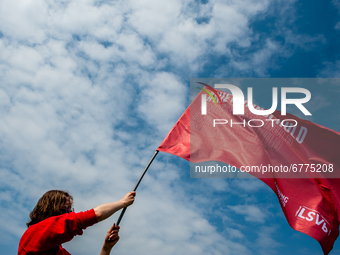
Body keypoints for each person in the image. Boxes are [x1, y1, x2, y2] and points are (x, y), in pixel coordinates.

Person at [18, 190, 136, 255]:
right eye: (67, 209)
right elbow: (95, 214)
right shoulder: (36, 232)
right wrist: (123, 203)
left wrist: (106, 248)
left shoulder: (58, 252)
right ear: (53, 209)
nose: (70, 214)